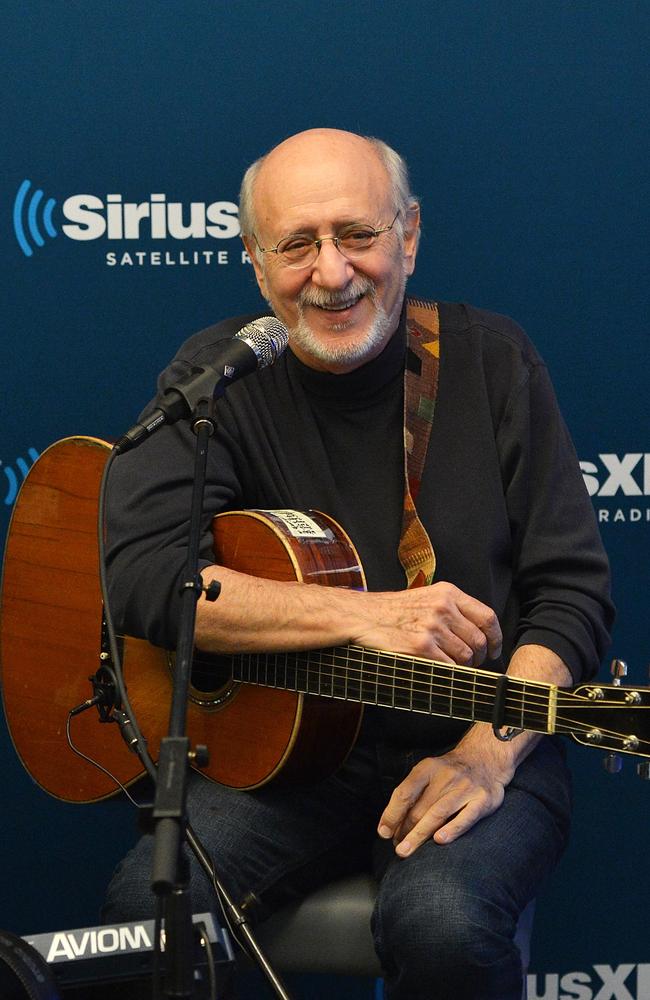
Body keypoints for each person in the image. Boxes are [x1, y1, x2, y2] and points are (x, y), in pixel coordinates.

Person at [103, 128, 614, 999]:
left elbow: (571, 592)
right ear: (255, 263)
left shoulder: (492, 363)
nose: (332, 273)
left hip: (473, 738)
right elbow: (151, 577)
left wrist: (486, 759)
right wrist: (366, 614)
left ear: (408, 235)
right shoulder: (215, 378)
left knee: (443, 925)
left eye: (359, 234)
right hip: (284, 763)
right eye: (297, 244)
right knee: (138, 918)